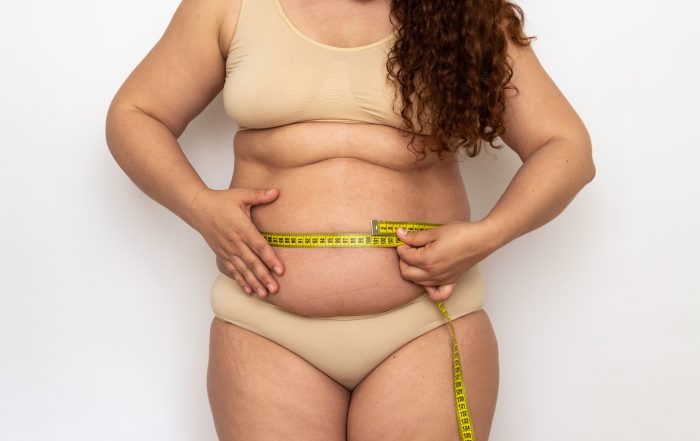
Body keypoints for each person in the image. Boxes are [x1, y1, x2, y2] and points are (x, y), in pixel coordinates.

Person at [105, 0, 595, 439]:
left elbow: (566, 148)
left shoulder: (466, 12)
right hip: (263, 325)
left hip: (425, 322)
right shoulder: (228, 6)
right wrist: (198, 205)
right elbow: (135, 113)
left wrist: (486, 235)